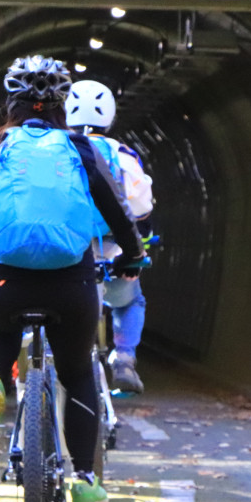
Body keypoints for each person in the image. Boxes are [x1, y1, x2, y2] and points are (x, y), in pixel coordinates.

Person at [0, 55, 146, 502]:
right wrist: (133, 256)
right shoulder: (79, 148)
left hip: (4, 283)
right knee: (78, 374)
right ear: (62, 105)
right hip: (70, 285)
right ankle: (84, 477)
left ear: (12, 102)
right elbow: (117, 210)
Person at [64, 79, 155, 394]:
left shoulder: (55, 148)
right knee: (132, 300)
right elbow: (141, 207)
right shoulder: (122, 154)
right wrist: (139, 248)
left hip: (62, 252)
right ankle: (124, 357)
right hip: (111, 253)